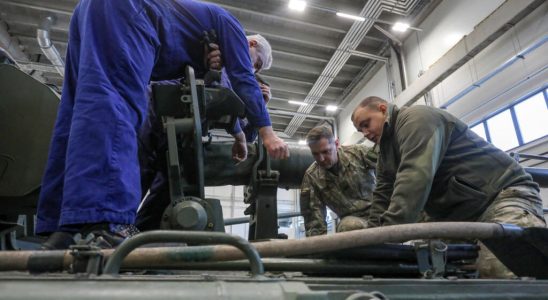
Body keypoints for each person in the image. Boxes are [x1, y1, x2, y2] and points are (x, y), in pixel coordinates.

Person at [37, 0, 289, 249]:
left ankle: (62, 226)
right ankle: (106, 223)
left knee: (77, 111)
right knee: (115, 106)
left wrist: (204, 66)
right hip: (128, 11)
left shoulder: (201, 32)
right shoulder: (230, 24)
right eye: (255, 62)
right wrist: (267, 133)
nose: (251, 67)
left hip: (89, 10)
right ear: (251, 43)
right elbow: (242, 76)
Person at [351, 96, 546, 278]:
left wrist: (388, 234)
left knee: (499, 267)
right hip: (460, 216)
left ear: (383, 109)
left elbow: (414, 177)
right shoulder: (386, 151)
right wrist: (372, 239)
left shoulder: (416, 119)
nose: (365, 133)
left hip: (502, 196)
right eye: (360, 131)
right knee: (425, 266)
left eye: (366, 124)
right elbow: (383, 193)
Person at [136, 35, 273, 231]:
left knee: (167, 193)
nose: (253, 71)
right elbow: (216, 90)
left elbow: (246, 132)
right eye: (256, 64)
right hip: (153, 117)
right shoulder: (224, 57)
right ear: (251, 45)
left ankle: (137, 237)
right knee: (135, 177)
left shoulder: (230, 71)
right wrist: (240, 134)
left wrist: (261, 107)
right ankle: (111, 230)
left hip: (175, 134)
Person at [299, 125, 377, 237]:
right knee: (348, 226)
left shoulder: (359, 153)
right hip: (353, 223)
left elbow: (391, 168)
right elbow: (314, 223)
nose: (321, 158)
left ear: (336, 144)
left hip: (381, 212)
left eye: (325, 152)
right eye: (315, 154)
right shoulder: (312, 178)